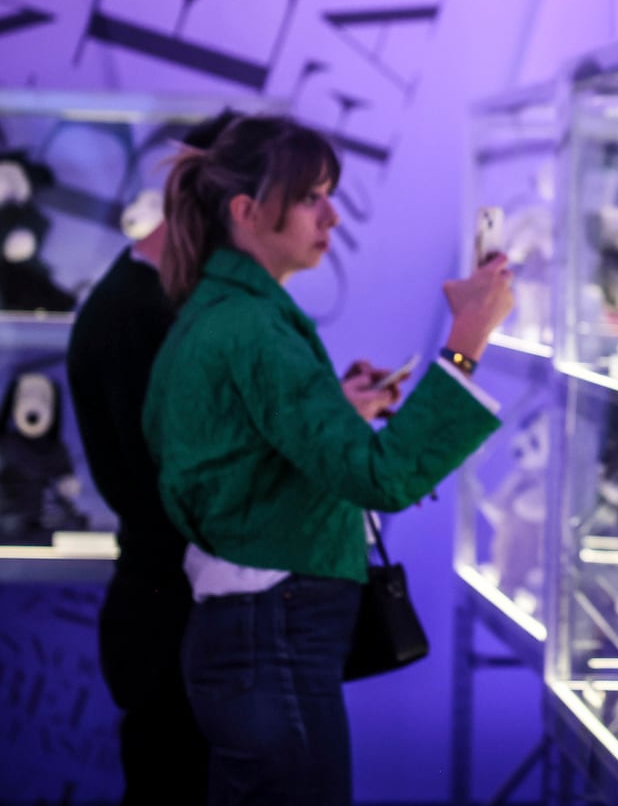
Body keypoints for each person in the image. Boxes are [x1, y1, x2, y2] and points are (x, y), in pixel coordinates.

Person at [141, 114, 514, 806]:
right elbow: (384, 476)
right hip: (268, 634)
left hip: (251, 632)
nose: (333, 216)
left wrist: (336, 410)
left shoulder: (219, 311)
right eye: (312, 196)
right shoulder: (251, 325)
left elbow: (228, 460)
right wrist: (467, 338)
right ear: (249, 212)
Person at [67, 111, 239, 805]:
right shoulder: (132, 316)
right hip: (169, 624)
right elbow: (174, 485)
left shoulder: (160, 303)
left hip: (174, 618)